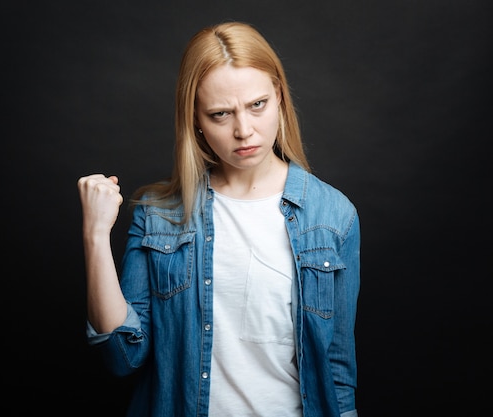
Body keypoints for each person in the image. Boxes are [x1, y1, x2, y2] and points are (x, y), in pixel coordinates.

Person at [77, 21, 360, 417]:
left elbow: (337, 372)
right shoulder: (160, 215)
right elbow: (123, 355)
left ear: (279, 95)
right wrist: (95, 234)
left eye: (257, 105)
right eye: (220, 114)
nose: (244, 130)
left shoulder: (333, 216)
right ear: (195, 118)